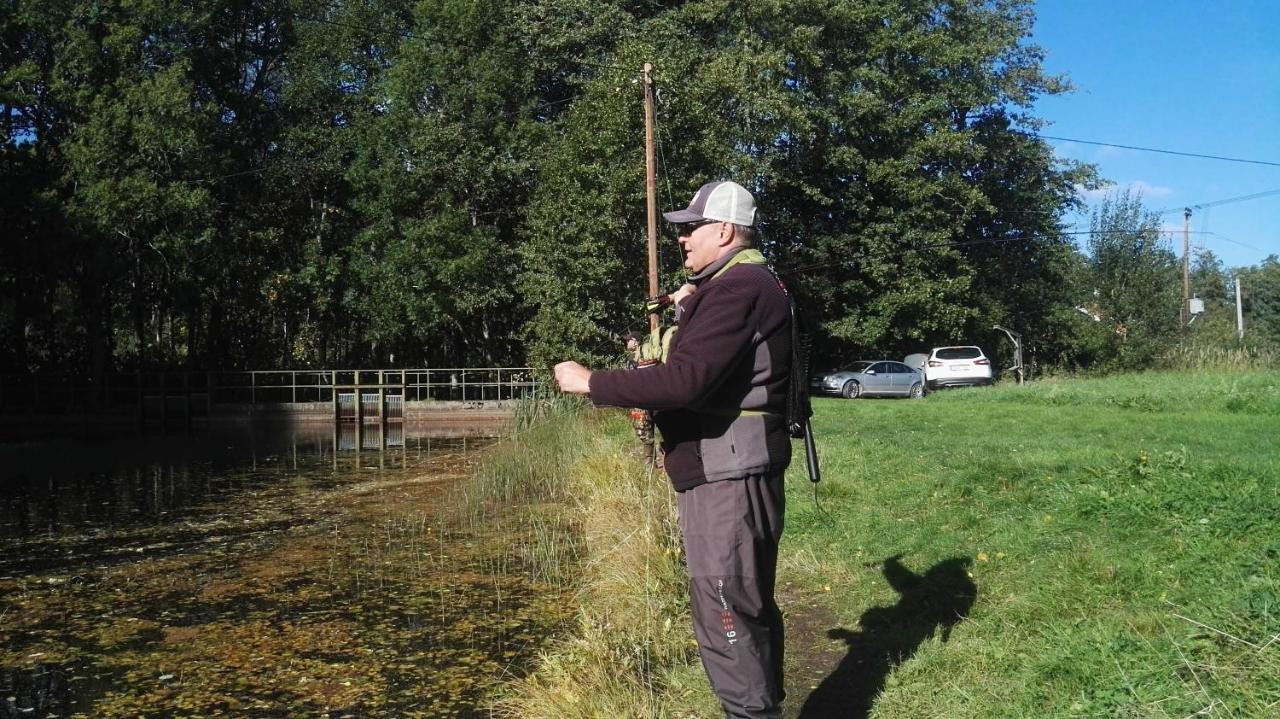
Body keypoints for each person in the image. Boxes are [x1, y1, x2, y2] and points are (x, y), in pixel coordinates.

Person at [554, 180, 792, 719]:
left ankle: (753, 713)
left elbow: (684, 382)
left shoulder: (738, 289)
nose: (682, 239)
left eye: (692, 228)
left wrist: (592, 382)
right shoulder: (738, 287)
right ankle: (763, 706)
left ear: (725, 231)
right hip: (729, 467)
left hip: (726, 474)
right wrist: (691, 306)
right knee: (745, 602)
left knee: (725, 606)